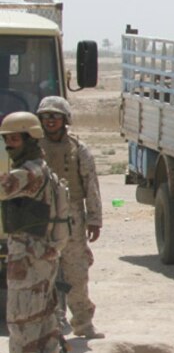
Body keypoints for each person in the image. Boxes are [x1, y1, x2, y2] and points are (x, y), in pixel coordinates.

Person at [0, 112, 69, 353]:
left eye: (15, 139)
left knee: (21, 316)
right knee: (44, 314)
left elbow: (4, 188)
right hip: (44, 252)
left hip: (27, 255)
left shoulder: (30, 172)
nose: (9, 146)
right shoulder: (44, 169)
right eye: (6, 140)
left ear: (30, 139)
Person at [36, 96, 104, 339]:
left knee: (77, 273)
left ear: (65, 119)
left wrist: (95, 219)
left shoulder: (78, 149)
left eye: (54, 116)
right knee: (45, 275)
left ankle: (83, 324)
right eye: (45, 117)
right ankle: (51, 326)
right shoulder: (33, 148)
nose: (50, 121)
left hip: (73, 217)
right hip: (42, 218)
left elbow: (91, 184)